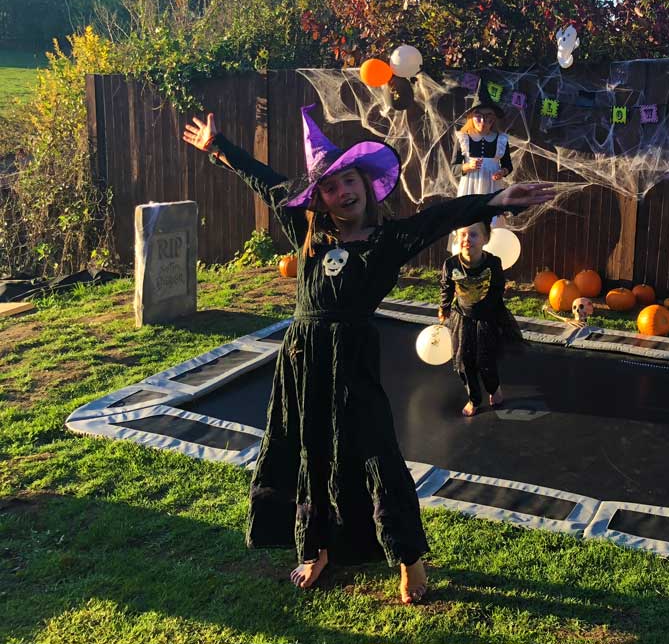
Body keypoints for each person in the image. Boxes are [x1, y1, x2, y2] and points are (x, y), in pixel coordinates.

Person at [182, 106, 555, 602]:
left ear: (366, 183)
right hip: (302, 360)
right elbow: (269, 183)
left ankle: (409, 559)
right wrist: (220, 148)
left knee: (378, 456)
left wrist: (495, 199)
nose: (343, 192)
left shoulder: (387, 240)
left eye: (349, 180)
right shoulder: (310, 235)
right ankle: (316, 549)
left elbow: (439, 217)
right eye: (331, 188)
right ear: (321, 198)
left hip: (352, 361)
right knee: (310, 454)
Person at [438, 221, 524, 417]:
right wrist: (444, 308)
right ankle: (474, 398)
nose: (468, 239)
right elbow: (447, 287)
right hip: (462, 317)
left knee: (486, 359)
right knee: (463, 361)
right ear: (457, 238)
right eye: (463, 235)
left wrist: (488, 314)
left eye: (474, 235)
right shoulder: (451, 264)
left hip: (487, 317)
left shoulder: (493, 263)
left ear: (485, 239)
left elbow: (497, 289)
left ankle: (494, 389)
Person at [447, 82, 514, 252]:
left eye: (488, 117)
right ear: (471, 117)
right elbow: (454, 168)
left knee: (492, 221)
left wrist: (502, 172)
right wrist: (467, 166)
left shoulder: (501, 140)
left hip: (492, 187)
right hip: (470, 187)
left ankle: (492, 255)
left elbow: (508, 165)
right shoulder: (464, 138)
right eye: (479, 117)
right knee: (467, 221)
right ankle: (464, 256)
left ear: (493, 119)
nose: (483, 121)